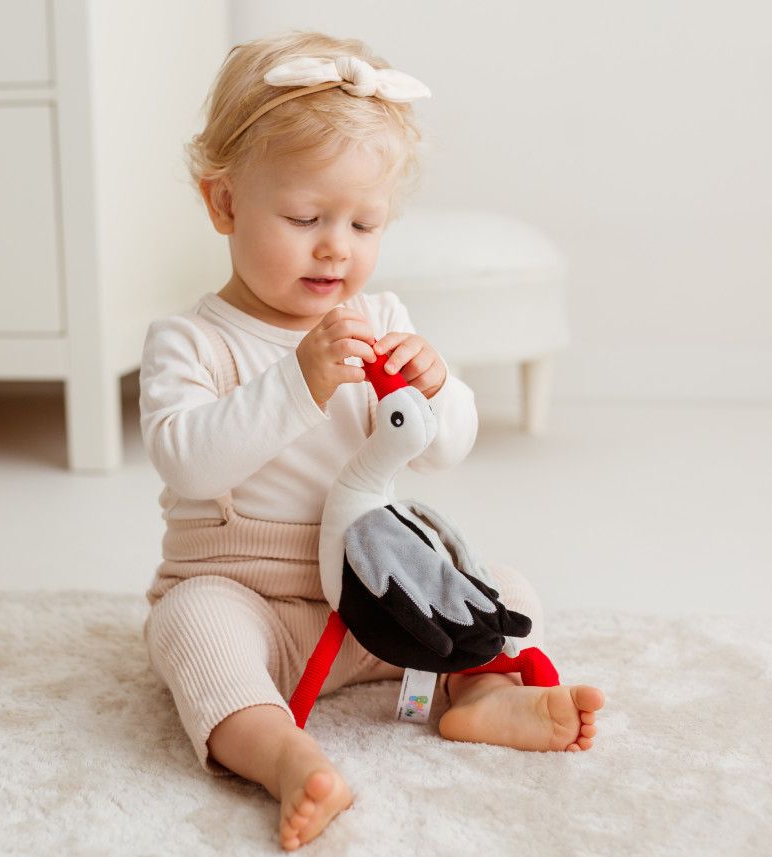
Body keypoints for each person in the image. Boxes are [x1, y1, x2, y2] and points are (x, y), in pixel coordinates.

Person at [140, 30, 605, 851]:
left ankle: (480, 695)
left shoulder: (380, 318)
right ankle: (283, 753)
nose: (336, 246)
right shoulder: (191, 341)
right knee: (194, 630)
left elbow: (441, 449)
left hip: (375, 601)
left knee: (506, 590)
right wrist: (298, 382)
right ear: (224, 203)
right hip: (251, 597)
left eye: (365, 222)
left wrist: (438, 388)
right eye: (306, 218)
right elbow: (189, 460)